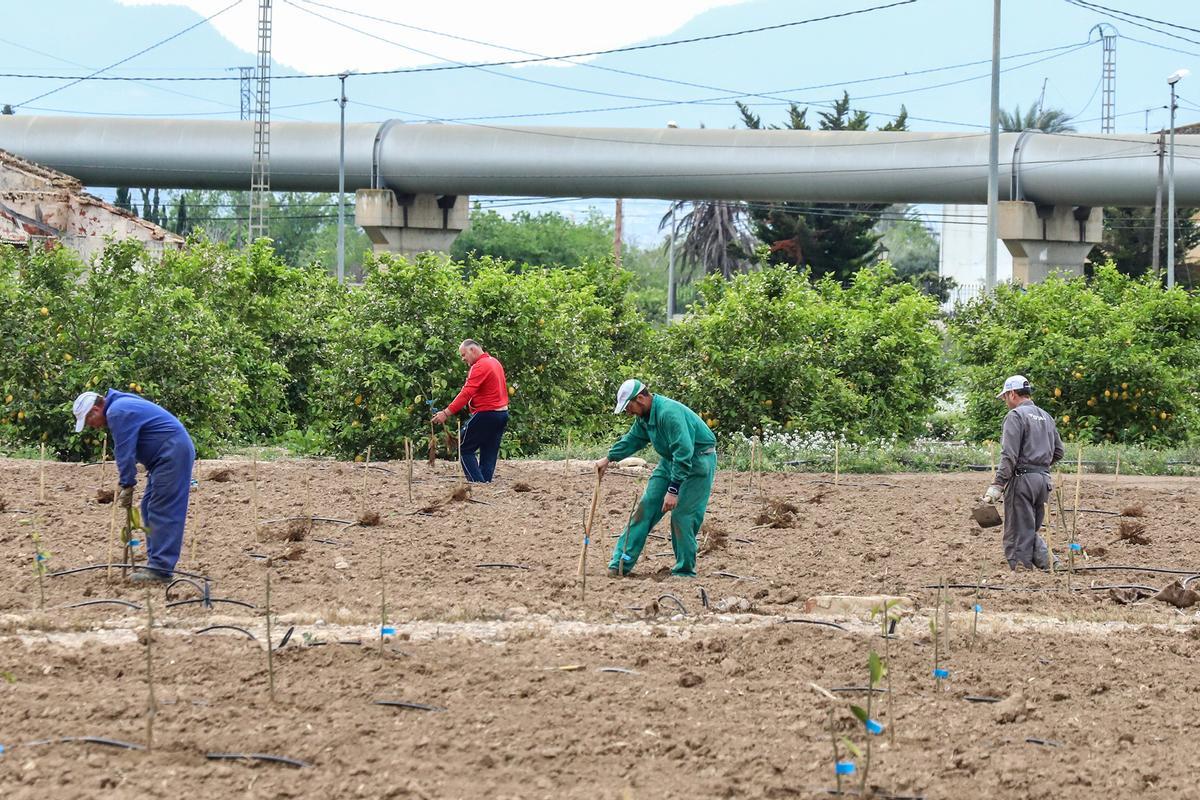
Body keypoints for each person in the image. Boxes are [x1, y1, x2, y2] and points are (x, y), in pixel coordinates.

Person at [595, 379, 716, 578]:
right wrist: (609, 458)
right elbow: (632, 439)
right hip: (670, 461)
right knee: (646, 507)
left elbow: (684, 452)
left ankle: (684, 572)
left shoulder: (669, 413)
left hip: (697, 462)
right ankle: (621, 563)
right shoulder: (644, 418)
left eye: (628, 407)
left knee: (682, 517)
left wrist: (673, 490)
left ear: (640, 399)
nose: (628, 412)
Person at [73, 389, 195, 583]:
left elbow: (124, 450)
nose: (91, 426)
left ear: (95, 410)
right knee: (149, 507)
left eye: (89, 421)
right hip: (166, 455)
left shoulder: (117, 411)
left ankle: (160, 570)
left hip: (172, 453)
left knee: (162, 509)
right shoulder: (120, 405)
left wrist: (127, 482)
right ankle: (157, 563)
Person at [982, 375, 1064, 570]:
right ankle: (1051, 564)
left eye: (1004, 397)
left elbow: (1009, 455)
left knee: (1017, 532)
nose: (1005, 402)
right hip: (1043, 481)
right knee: (1028, 529)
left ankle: (1021, 569)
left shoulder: (1015, 416)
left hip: (1022, 481)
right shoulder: (1046, 417)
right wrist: (1039, 465)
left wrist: (998, 485)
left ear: (1012, 394)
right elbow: (1059, 451)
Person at [432, 339, 510, 483]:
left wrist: (446, 413)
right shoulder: (495, 362)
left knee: (464, 447)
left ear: (472, 350)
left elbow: (466, 393)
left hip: (487, 413)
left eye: (463, 355)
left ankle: (477, 483)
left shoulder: (480, 366)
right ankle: (485, 483)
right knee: (489, 451)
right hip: (502, 414)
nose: (463, 359)